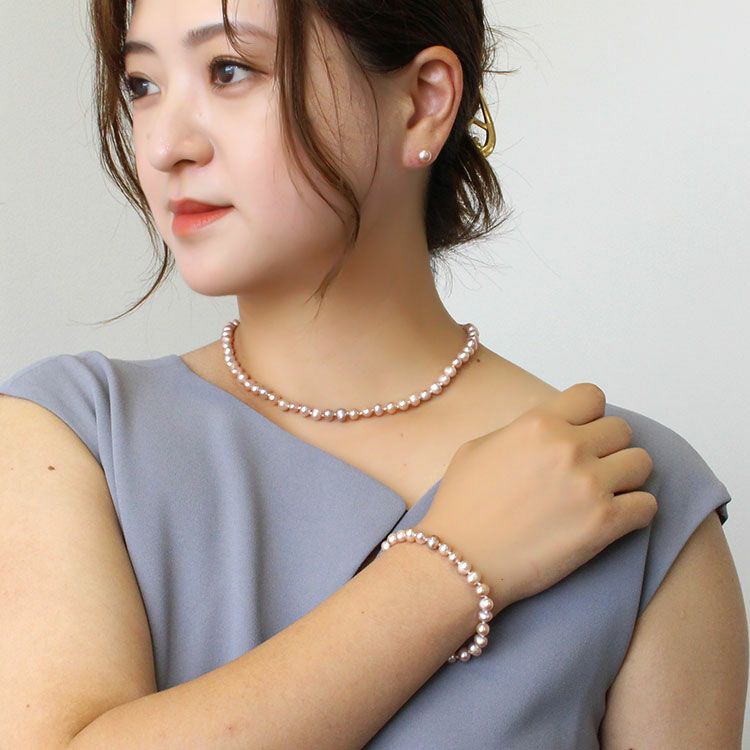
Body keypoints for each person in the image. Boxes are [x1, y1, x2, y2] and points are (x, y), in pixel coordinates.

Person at [0, 0, 746, 747]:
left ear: (422, 103)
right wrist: (448, 568)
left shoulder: (626, 488)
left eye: (230, 70)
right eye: (142, 85)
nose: (166, 146)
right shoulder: (71, 436)